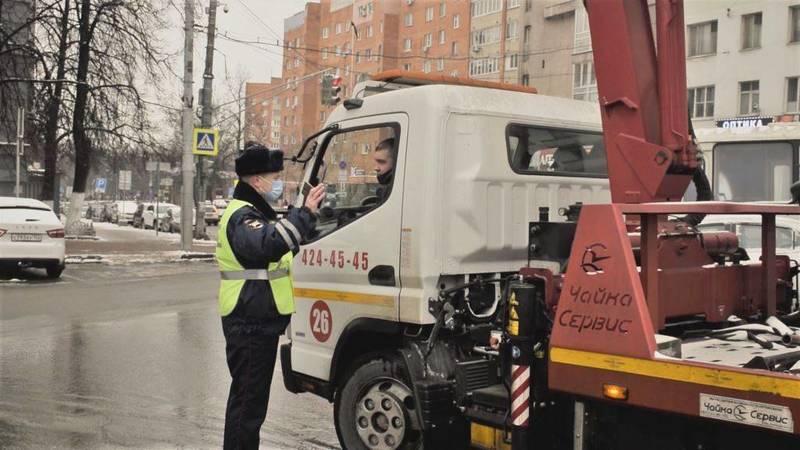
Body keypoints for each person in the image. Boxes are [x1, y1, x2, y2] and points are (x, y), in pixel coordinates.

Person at [217, 142, 325, 449]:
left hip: (254, 320)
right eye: (272, 176)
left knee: (249, 403)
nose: (276, 182)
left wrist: (304, 217)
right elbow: (267, 245)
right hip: (248, 321)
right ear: (255, 180)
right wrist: (304, 214)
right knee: (247, 406)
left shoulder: (254, 212)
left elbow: (279, 242)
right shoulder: (242, 216)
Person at [373, 138, 396, 203]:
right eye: (375, 162)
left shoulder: (392, 192)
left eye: (381, 162)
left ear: (396, 163)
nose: (375, 168)